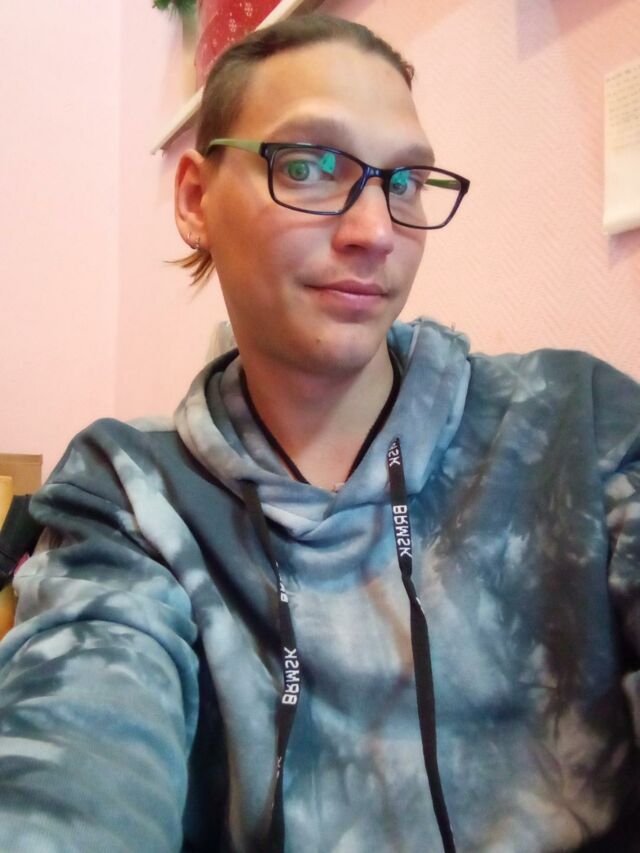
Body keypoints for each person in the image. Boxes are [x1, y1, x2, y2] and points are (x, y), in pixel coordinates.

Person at [1, 12, 639, 853]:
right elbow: (73, 762)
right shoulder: (130, 498)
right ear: (194, 199)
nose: (376, 231)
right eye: (307, 166)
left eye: (405, 181)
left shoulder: (573, 426)